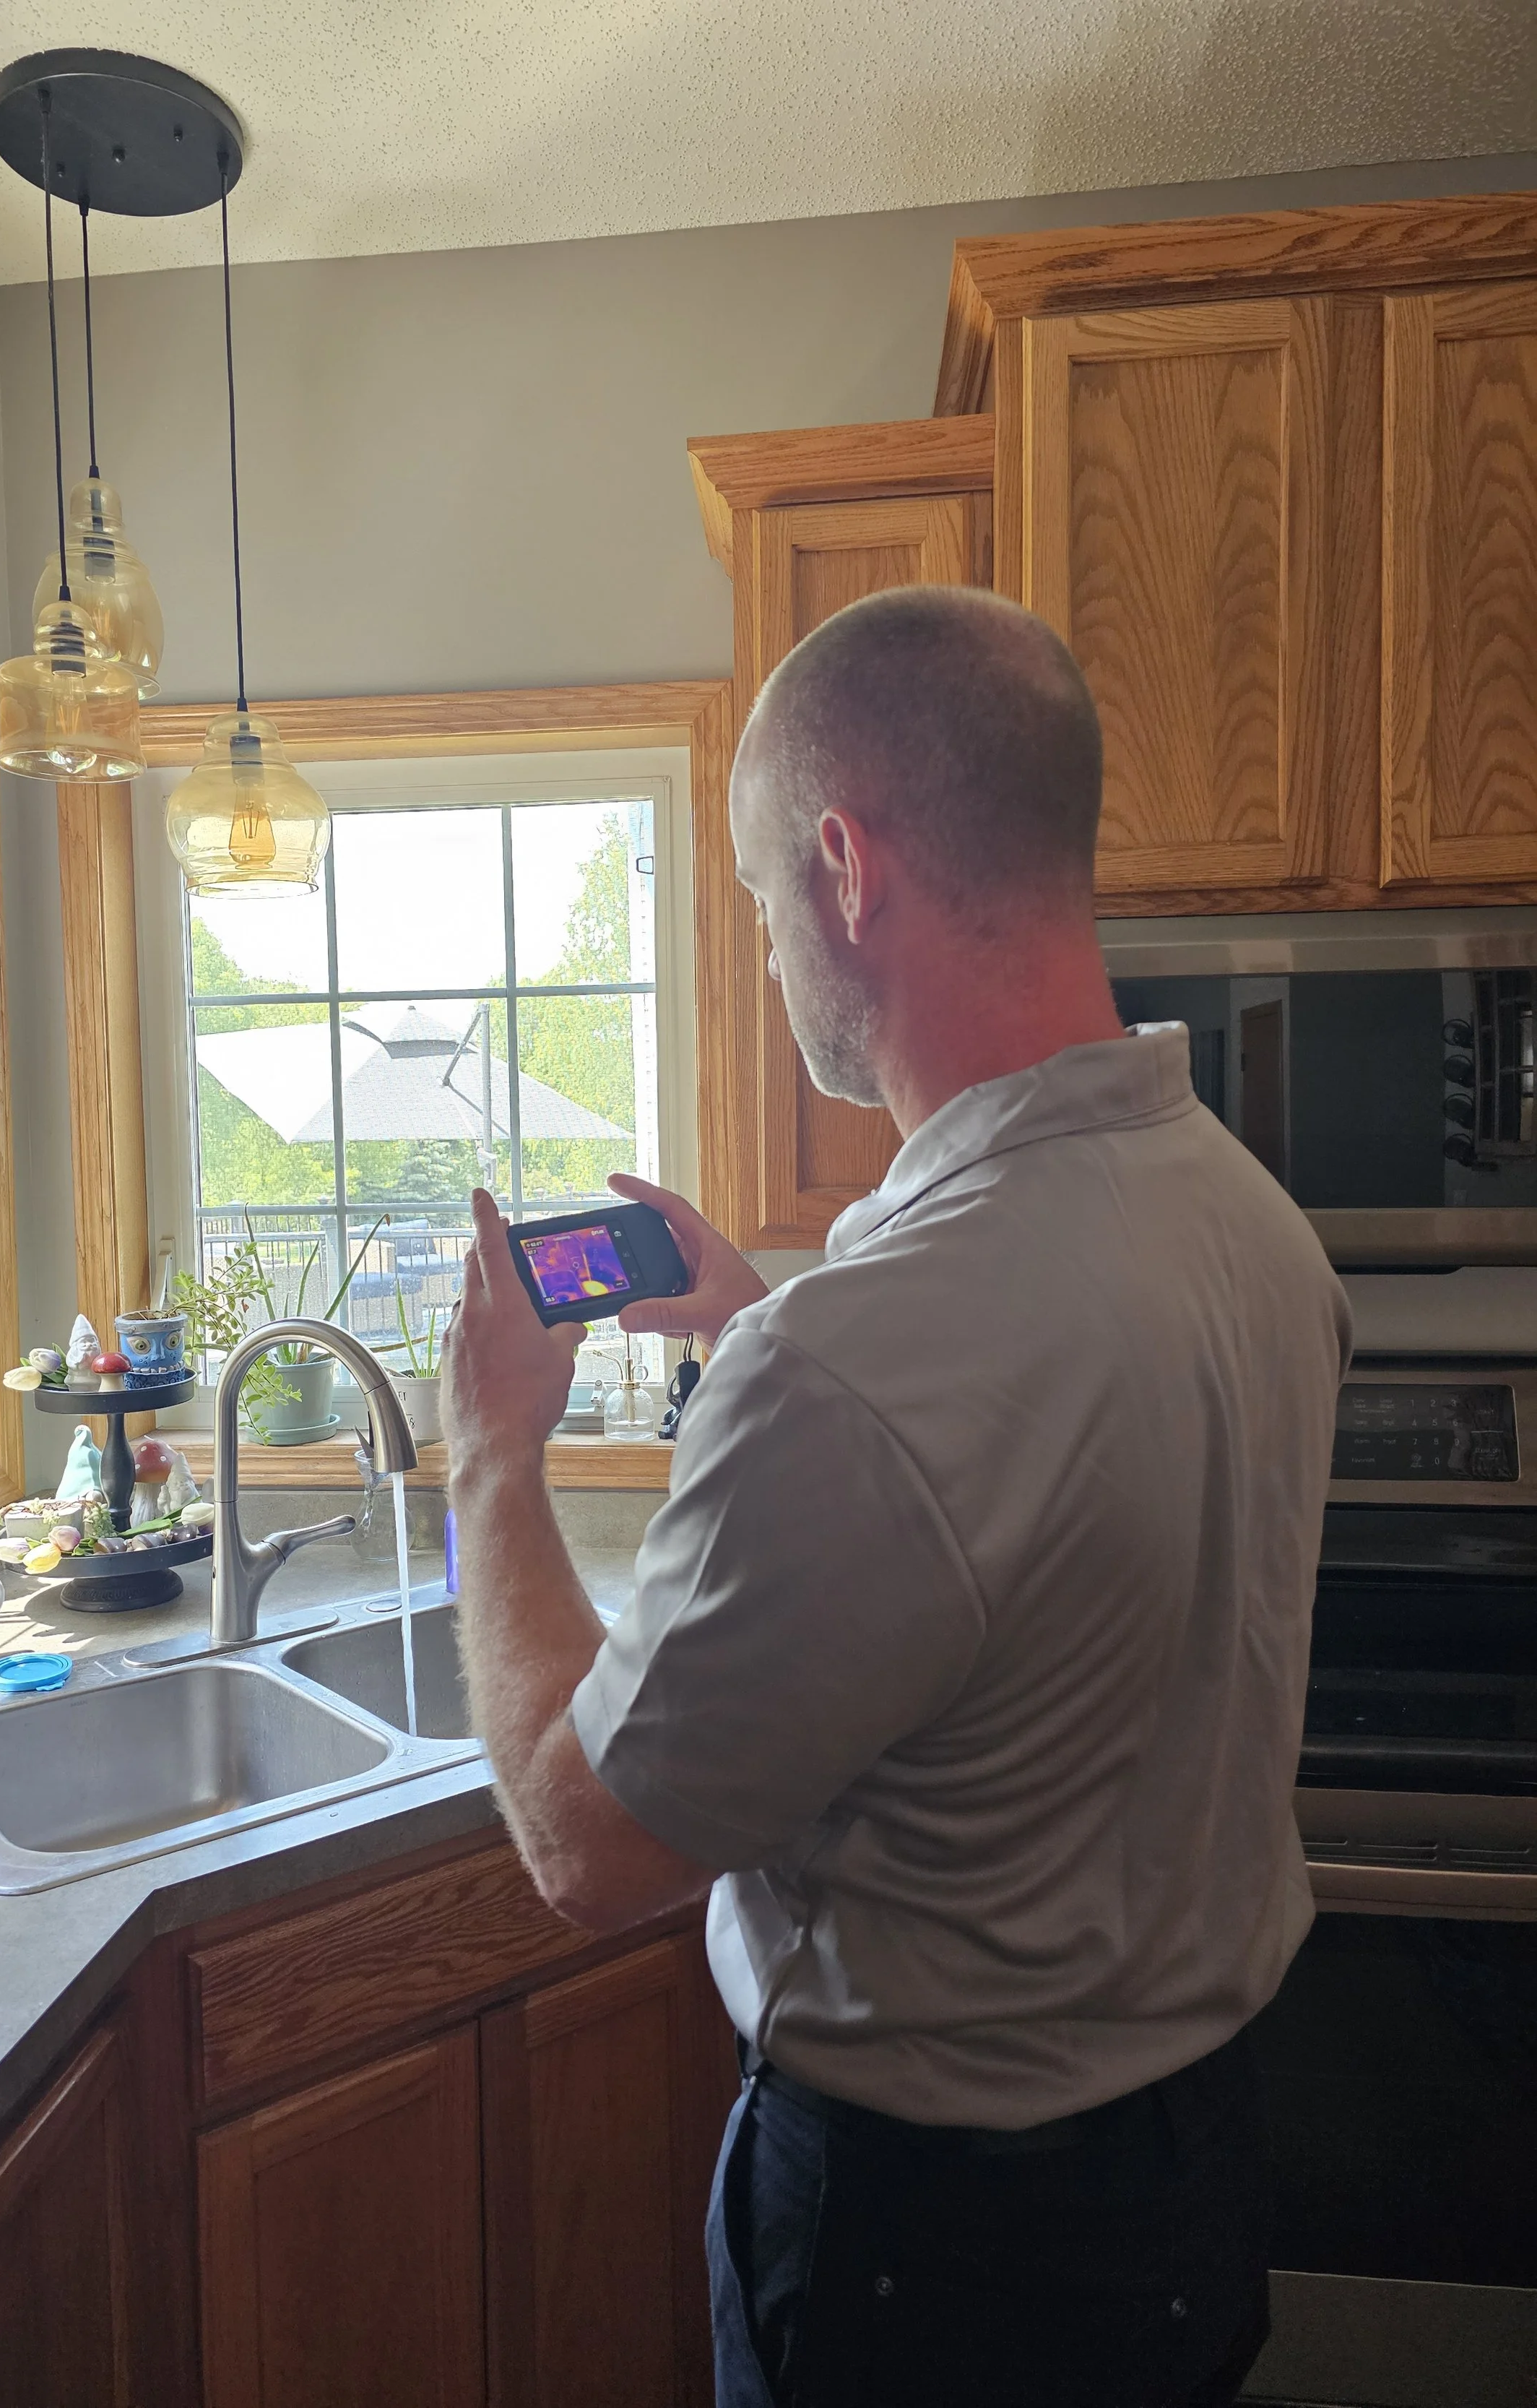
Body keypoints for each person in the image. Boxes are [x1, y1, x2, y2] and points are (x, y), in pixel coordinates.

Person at [439, 584, 1351, 2408]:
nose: (768, 949)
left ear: (845, 868)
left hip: (931, 2268)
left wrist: (488, 1453)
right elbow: (1020, 1516)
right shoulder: (1251, 1224)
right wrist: (758, 1324)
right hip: (1185, 2191)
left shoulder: (855, 1369)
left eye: (758, 893)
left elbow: (584, 1846)